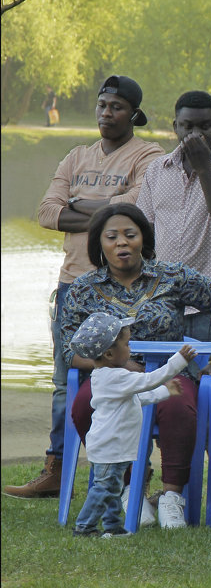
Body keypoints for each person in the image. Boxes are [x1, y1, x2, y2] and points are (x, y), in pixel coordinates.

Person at [5, 75, 163, 501]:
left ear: (134, 113)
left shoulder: (148, 155)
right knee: (65, 380)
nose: (106, 113)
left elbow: (138, 212)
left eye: (115, 106)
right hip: (74, 287)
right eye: (101, 105)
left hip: (124, 289)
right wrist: (107, 214)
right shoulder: (76, 156)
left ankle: (133, 472)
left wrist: (78, 206)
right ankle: (56, 469)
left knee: (128, 377)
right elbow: (45, 212)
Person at [62, 204, 211, 529]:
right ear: (100, 245)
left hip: (168, 369)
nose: (122, 243)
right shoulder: (83, 289)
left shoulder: (172, 276)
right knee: (83, 407)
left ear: (142, 240)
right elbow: (69, 350)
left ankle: (171, 497)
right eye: (112, 237)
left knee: (177, 405)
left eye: (130, 235)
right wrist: (117, 365)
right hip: (110, 377)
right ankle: (128, 488)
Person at [136, 90, 211, 338]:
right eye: (187, 126)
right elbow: (142, 233)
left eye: (205, 126)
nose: (196, 134)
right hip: (162, 304)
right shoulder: (157, 169)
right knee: (165, 376)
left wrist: (204, 168)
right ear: (175, 127)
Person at [70, 315, 192, 538]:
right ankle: (84, 526)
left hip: (113, 447)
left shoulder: (106, 376)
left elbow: (139, 398)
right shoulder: (115, 376)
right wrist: (178, 361)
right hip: (109, 447)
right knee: (103, 490)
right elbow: (149, 380)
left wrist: (166, 392)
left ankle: (113, 527)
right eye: (126, 344)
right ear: (108, 353)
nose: (130, 349)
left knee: (113, 489)